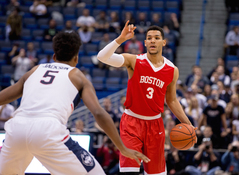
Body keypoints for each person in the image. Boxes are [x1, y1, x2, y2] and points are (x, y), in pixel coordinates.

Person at [0, 31, 149, 175]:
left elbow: (2, 97)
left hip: (16, 129)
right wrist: (122, 147)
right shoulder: (78, 76)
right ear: (76, 58)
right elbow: (98, 112)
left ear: (54, 56)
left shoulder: (33, 71)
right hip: (48, 130)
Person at [97, 22, 194, 174]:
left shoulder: (172, 70)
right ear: (145, 42)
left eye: (156, 37)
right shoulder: (134, 61)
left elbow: (172, 100)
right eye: (149, 38)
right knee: (129, 171)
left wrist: (188, 124)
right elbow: (102, 57)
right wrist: (121, 39)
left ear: (163, 42)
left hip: (155, 125)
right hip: (131, 123)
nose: (153, 40)